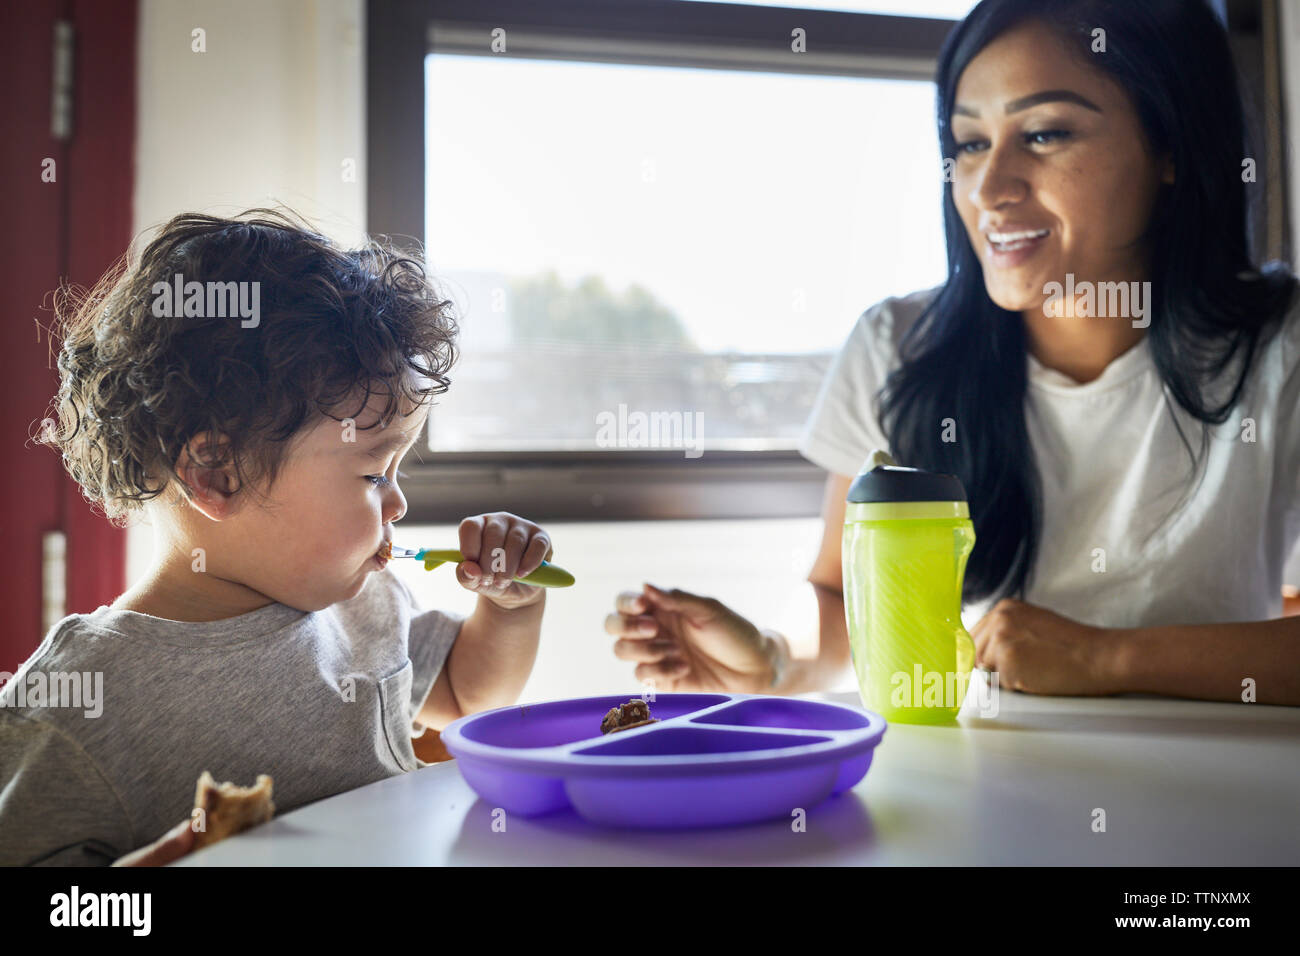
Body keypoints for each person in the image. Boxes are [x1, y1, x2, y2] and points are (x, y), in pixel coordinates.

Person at [607, 0, 1300, 706]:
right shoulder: (896, 346)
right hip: (984, 780)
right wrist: (772, 661)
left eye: (1045, 133)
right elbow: (842, 598)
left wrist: (1110, 657)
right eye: (970, 143)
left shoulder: (1283, 348)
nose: (990, 189)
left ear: (1171, 147)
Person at [0, 209, 556, 865]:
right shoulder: (76, 704)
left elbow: (470, 695)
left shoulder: (363, 605)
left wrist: (512, 604)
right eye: (374, 472)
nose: (398, 500)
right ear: (217, 474)